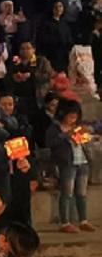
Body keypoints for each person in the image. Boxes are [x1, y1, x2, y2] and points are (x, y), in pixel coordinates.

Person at [46, 100, 95, 233]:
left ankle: (83, 220)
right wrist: (65, 135)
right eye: (71, 115)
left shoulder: (78, 126)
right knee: (67, 193)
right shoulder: (55, 127)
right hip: (67, 163)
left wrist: (86, 136)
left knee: (82, 193)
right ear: (63, 114)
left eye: (76, 115)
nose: (73, 118)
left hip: (82, 162)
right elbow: (50, 142)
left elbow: (87, 139)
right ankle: (65, 222)